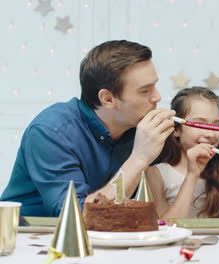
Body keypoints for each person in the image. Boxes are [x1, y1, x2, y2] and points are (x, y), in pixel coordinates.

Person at [0, 40, 176, 216]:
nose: (157, 97)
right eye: (145, 91)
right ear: (107, 99)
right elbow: (76, 216)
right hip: (30, 236)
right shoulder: (50, 131)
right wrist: (139, 159)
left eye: (155, 85)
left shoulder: (140, 128)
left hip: (109, 236)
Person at [146, 87, 219, 221]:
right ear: (176, 129)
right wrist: (192, 175)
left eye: (216, 125)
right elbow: (166, 228)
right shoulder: (156, 173)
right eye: (200, 125)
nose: (210, 134)